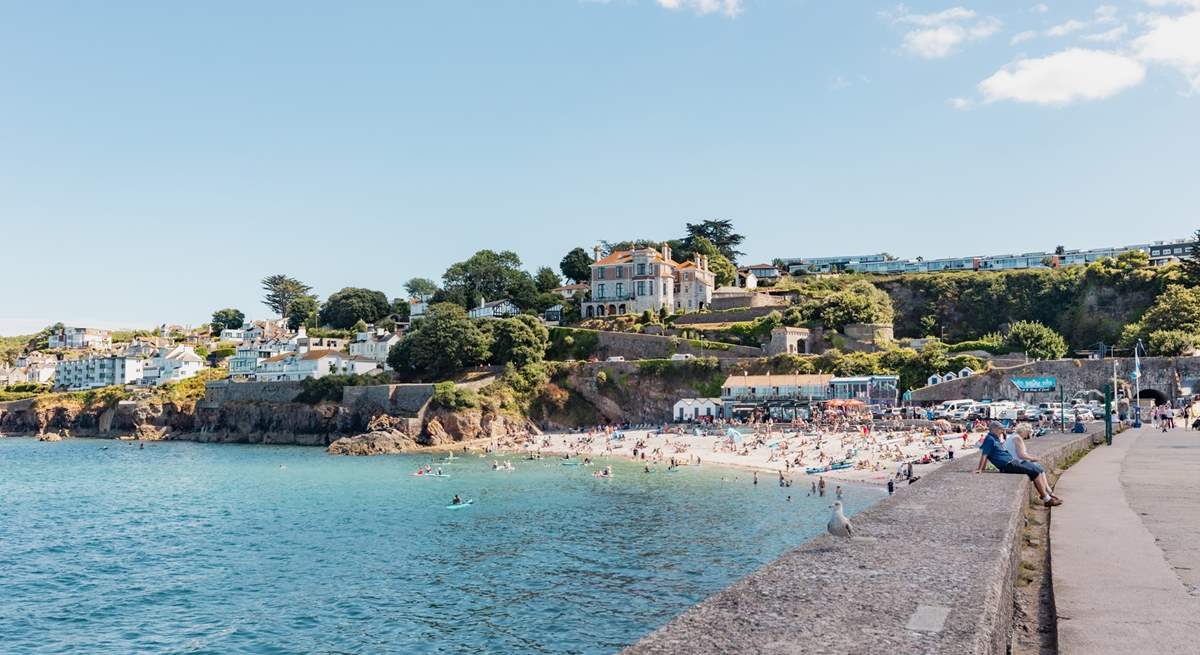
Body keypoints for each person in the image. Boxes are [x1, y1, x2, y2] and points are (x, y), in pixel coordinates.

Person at [977, 421, 1061, 507]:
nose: (1002, 431)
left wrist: (983, 468)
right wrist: (980, 469)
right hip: (1008, 465)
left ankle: (1047, 496)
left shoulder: (994, 438)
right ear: (994, 429)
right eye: (1000, 429)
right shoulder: (989, 439)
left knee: (1037, 470)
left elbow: (987, 455)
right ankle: (1047, 499)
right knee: (1035, 472)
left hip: (1011, 462)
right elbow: (985, 454)